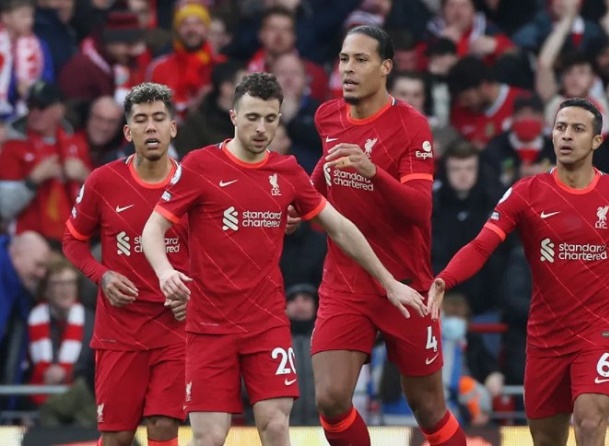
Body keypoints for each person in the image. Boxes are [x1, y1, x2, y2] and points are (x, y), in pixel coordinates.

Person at [140, 72, 425, 446]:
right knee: (209, 437)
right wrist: (164, 273)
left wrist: (389, 283)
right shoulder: (200, 166)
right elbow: (152, 229)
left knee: (275, 426)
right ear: (234, 116)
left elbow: (340, 227)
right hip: (208, 327)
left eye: (270, 119)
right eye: (253, 117)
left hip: (267, 323)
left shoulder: (287, 171)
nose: (261, 128)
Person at [427, 97, 609, 446]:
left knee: (589, 421)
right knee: (547, 441)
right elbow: (481, 246)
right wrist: (445, 279)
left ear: (597, 140)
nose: (566, 135)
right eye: (560, 127)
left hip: (598, 334)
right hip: (544, 339)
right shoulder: (525, 194)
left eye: (578, 129)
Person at [306, 25, 466, 446]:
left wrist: (373, 171)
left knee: (429, 410)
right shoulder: (327, 116)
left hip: (406, 283)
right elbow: (325, 170)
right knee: (331, 398)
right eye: (344, 59)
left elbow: (419, 208)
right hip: (347, 281)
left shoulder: (413, 128)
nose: (349, 69)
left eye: (361, 60)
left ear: (386, 68)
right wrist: (302, 203)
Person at [62, 83, 188, 446]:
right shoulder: (103, 181)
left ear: (172, 127)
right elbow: (73, 240)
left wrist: (192, 291)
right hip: (120, 331)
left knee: (164, 427)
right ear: (127, 131)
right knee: (117, 436)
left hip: (174, 328)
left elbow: (216, 251)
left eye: (159, 119)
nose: (151, 127)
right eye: (142, 120)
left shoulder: (192, 183)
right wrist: (101, 276)